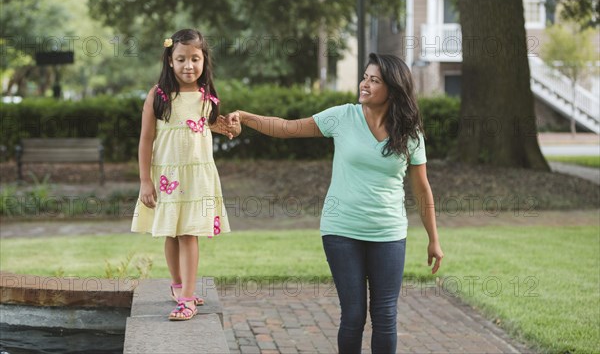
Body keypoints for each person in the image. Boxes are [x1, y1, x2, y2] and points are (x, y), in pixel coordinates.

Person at [226, 53, 443, 353]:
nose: (364, 84)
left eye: (374, 80)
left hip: (388, 234)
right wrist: (247, 117)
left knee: (384, 316)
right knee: (353, 315)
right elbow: (287, 128)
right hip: (341, 231)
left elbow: (422, 189)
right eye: (365, 77)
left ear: (393, 90)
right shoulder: (343, 117)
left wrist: (434, 239)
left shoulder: (410, 133)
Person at [132, 29, 239, 321]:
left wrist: (232, 126)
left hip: (197, 178)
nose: (188, 65)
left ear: (204, 60)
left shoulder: (207, 96)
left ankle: (187, 298)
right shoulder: (159, 95)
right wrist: (145, 180)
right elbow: (145, 139)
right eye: (181, 59)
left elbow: (211, 125)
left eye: (195, 58)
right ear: (170, 60)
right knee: (172, 231)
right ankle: (178, 287)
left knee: (190, 233)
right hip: (168, 177)